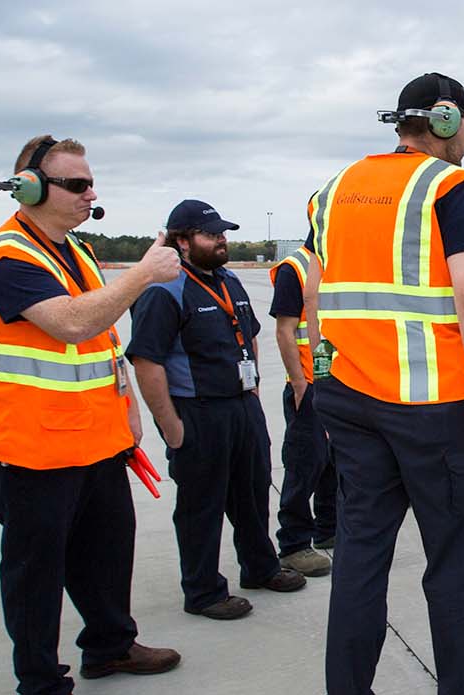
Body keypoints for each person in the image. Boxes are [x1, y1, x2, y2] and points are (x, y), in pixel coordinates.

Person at [304, 71, 464, 695]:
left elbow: (314, 291)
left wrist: (321, 373)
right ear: (444, 121)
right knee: (454, 564)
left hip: (349, 400)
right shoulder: (448, 185)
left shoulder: (333, 190)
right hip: (434, 409)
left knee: (361, 554)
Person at [0, 135, 182, 693]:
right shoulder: (0, 255)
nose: (91, 194)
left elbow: (103, 339)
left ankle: (109, 646)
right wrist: (142, 274)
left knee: (108, 553)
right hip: (30, 447)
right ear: (30, 187)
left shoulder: (75, 249)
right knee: (35, 572)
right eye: (78, 184)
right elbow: (71, 322)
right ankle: (39, 677)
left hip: (96, 438)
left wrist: (127, 408)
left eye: (90, 182)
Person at [127, 200, 308, 622]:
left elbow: (250, 336)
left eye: (223, 233)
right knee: (201, 505)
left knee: (253, 491)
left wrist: (255, 392)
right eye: (211, 234)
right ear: (183, 242)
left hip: (242, 407)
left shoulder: (228, 281)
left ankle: (259, 567)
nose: (222, 240)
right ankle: (203, 590)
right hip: (197, 412)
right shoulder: (163, 289)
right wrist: (171, 426)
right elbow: (146, 362)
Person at [268, 232, 339, 575]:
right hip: (308, 383)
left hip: (339, 382)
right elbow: (285, 329)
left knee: (335, 463)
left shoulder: (338, 262)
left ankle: (329, 529)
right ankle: (294, 542)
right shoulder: (293, 268)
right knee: (304, 462)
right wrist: (298, 382)